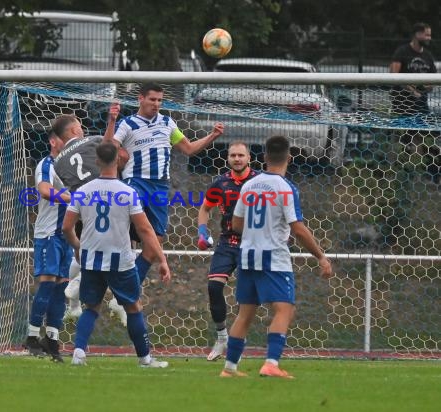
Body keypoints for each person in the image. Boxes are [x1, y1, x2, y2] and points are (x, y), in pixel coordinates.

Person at [220, 135, 332, 378]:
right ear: (289, 158)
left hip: (248, 255)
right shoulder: (286, 187)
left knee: (245, 313)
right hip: (274, 257)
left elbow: (236, 223)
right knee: (284, 309)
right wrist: (320, 256)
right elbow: (298, 228)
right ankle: (271, 363)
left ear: (263, 157)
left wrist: (258, 230)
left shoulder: (249, 185)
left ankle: (229, 368)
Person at [62, 142, 171, 367]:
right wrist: (162, 259)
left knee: (91, 308)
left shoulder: (82, 191)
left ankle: (78, 354)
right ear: (119, 161)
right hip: (120, 262)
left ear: (97, 161)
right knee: (133, 307)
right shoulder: (128, 192)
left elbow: (66, 227)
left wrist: (77, 246)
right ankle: (145, 359)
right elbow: (145, 229)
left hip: (91, 260)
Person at [104, 83, 225, 284]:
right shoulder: (127, 124)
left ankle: (130, 286)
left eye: (160, 100)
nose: (157, 104)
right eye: (153, 99)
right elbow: (108, 148)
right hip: (135, 182)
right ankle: (106, 267)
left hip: (160, 187)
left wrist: (212, 135)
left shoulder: (168, 123)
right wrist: (111, 121)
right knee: (130, 230)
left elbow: (188, 148)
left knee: (154, 245)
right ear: (140, 99)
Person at [51, 112, 129, 325]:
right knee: (116, 248)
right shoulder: (92, 141)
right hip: (105, 197)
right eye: (80, 126)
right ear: (75, 130)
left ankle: (78, 291)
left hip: (82, 206)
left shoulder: (57, 163)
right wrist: (112, 122)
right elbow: (108, 146)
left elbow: (64, 189)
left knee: (88, 248)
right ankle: (80, 284)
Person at [196, 141, 258, 361]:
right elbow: (205, 208)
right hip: (226, 243)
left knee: (245, 295)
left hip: (252, 243)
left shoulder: (259, 182)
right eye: (233, 155)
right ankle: (222, 337)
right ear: (228, 158)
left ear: (249, 158)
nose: (237, 159)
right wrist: (202, 232)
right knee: (214, 287)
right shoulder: (220, 183)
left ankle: (238, 341)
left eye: (241, 155)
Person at [24, 130, 73, 362]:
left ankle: (51, 340)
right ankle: (32, 336)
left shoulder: (75, 165)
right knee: (47, 283)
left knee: (61, 288)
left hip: (67, 235)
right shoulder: (47, 164)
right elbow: (44, 191)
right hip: (49, 233)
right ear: (53, 141)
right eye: (69, 135)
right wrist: (73, 198)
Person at [390, 22, 437, 116]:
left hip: (421, 103)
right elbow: (393, 76)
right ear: (417, 34)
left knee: (426, 128)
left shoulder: (428, 56)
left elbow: (434, 79)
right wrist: (412, 90)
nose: (429, 38)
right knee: (402, 128)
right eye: (426, 35)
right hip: (402, 103)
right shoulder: (402, 51)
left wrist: (424, 88)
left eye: (430, 35)